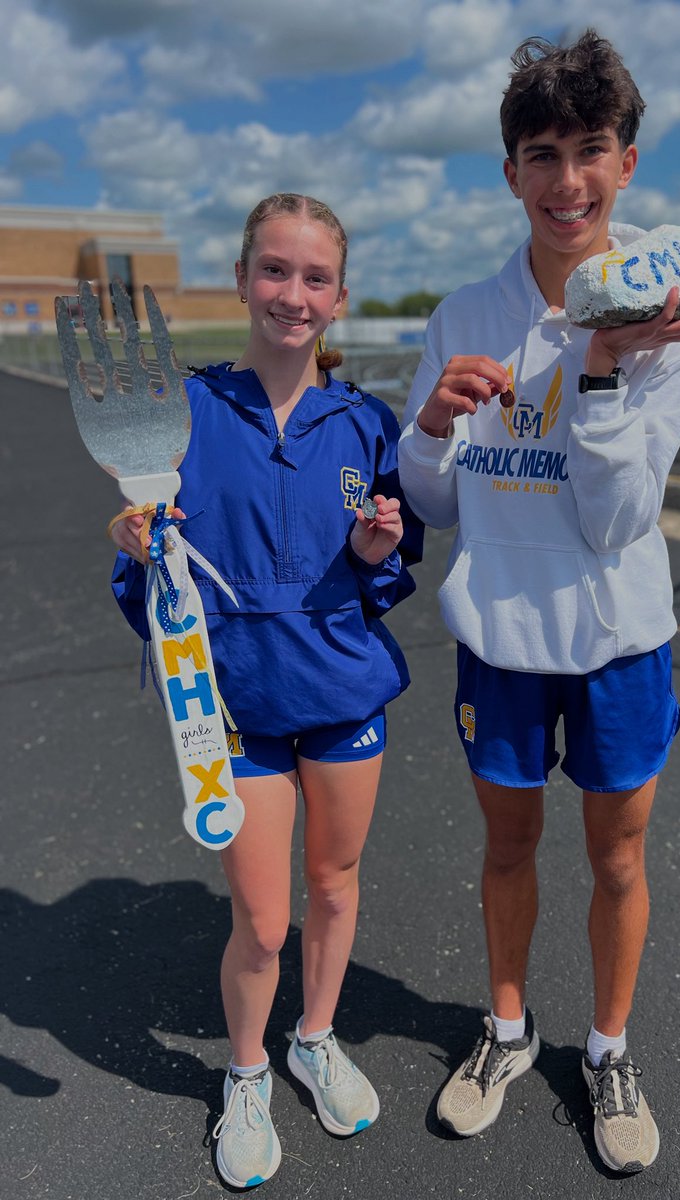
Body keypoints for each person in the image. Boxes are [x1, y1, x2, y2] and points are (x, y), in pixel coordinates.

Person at [398, 30, 680, 1174]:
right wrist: (430, 424)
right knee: (508, 845)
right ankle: (509, 1031)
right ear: (510, 172)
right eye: (542, 153)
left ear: (626, 163)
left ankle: (609, 1048)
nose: (567, 180)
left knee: (618, 859)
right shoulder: (461, 316)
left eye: (591, 150)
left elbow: (619, 518)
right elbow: (429, 504)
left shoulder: (664, 315)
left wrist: (596, 367)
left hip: (620, 636)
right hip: (502, 640)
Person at [110, 193, 422, 1189]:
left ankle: (314, 1039)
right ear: (245, 279)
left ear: (339, 295)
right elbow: (150, 585)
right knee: (263, 921)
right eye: (276, 271)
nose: (294, 295)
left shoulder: (366, 422)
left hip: (339, 688)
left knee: (334, 887)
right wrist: (137, 548)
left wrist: (380, 548)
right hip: (233, 704)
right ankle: (246, 1074)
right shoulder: (185, 412)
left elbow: (385, 570)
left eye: (315, 277)